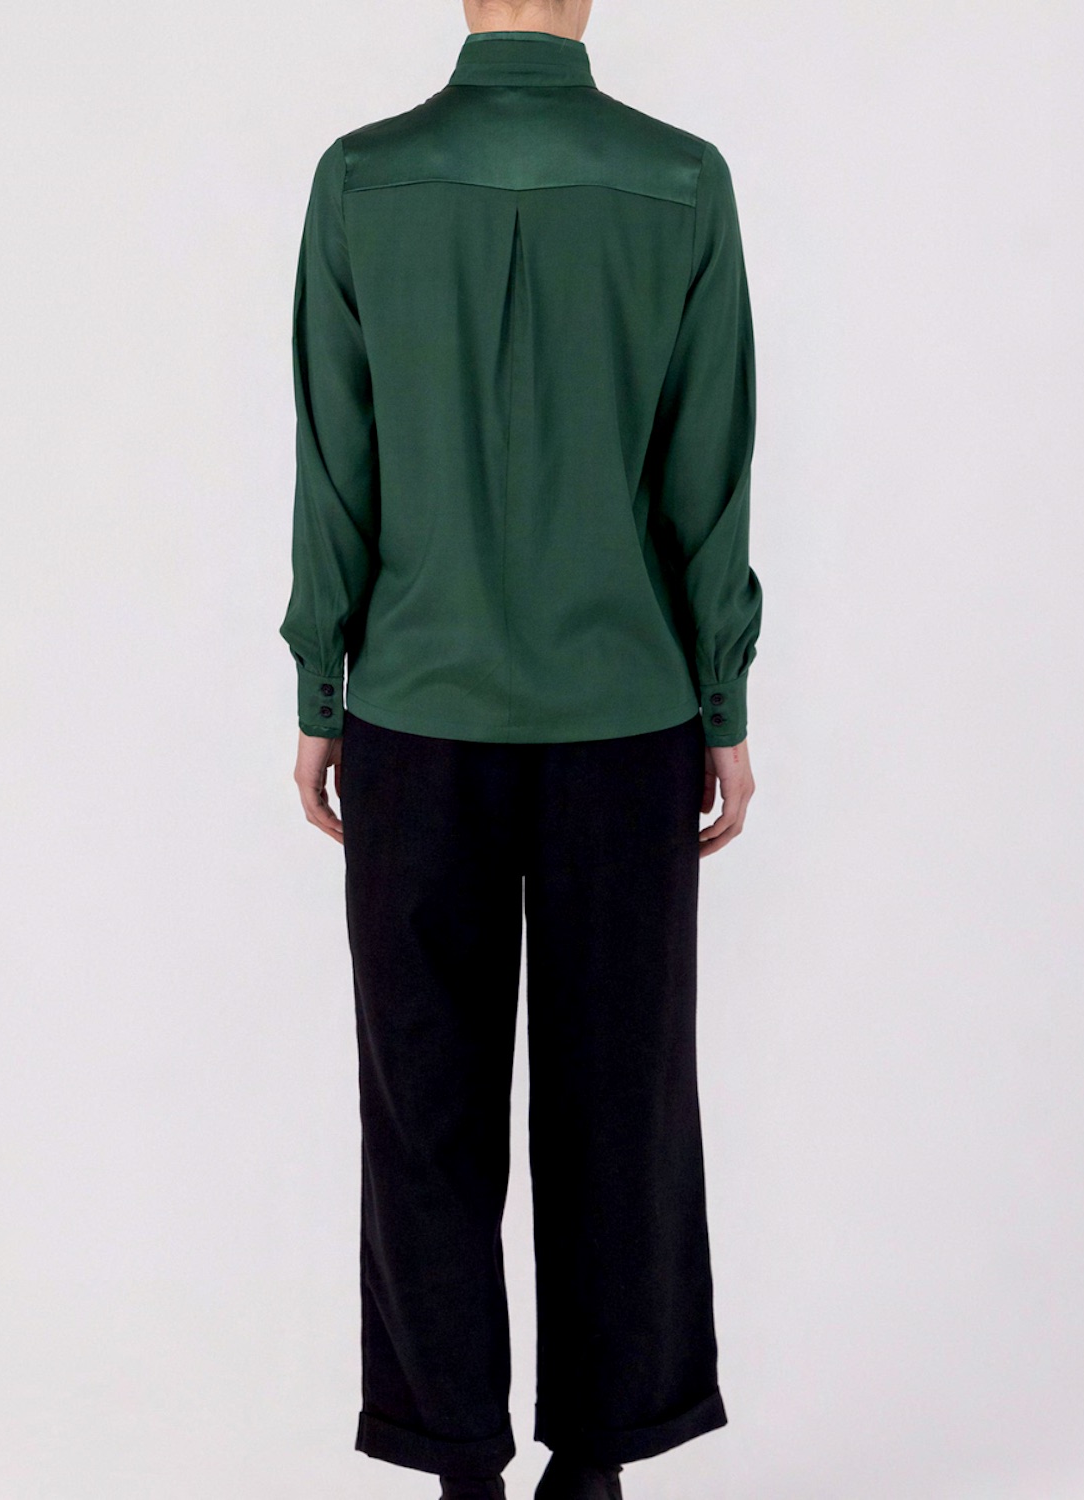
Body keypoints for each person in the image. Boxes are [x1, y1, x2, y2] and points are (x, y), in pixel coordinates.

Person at [279, 2, 762, 1496]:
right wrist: (723, 704)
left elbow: (335, 461)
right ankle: (596, 1466)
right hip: (627, 721)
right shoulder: (679, 181)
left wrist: (319, 687)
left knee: (423, 1107)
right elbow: (709, 471)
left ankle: (460, 1468)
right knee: (622, 1105)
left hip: (416, 716)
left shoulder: (361, 179)